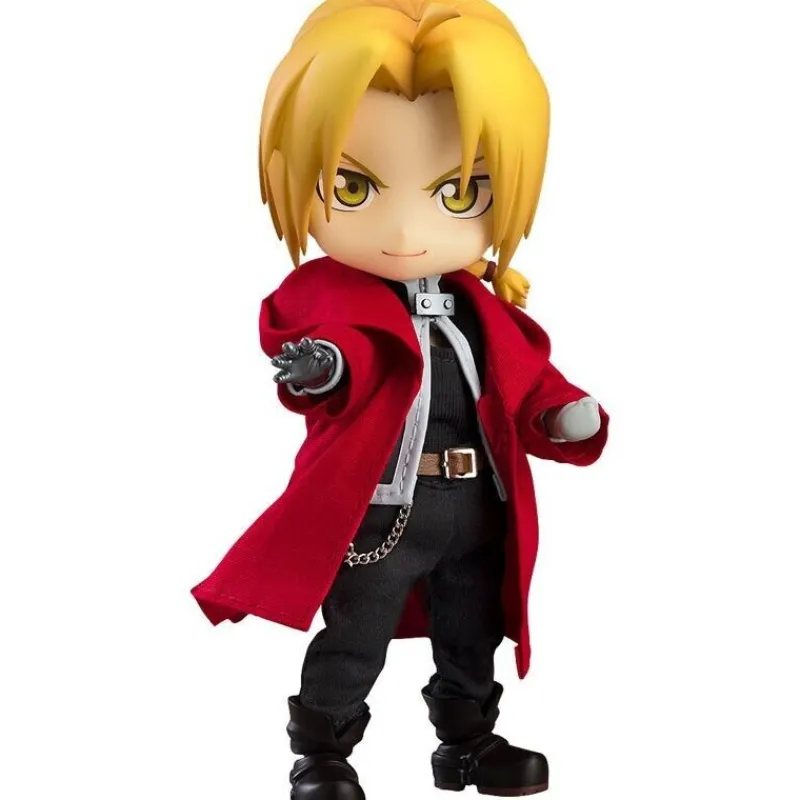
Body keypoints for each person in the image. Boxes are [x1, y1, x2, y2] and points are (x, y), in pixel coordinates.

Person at [192, 2, 609, 797]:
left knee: (472, 631)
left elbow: (528, 383)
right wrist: (323, 367)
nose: (408, 228)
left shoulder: (484, 308)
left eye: (460, 192)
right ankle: (323, 752)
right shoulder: (329, 295)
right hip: (384, 510)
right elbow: (338, 349)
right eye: (353, 186)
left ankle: (468, 743)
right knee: (356, 633)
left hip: (477, 505)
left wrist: (562, 416)